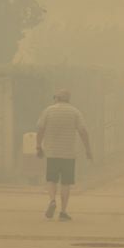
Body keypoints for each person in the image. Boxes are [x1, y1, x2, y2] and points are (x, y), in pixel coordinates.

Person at [36, 89, 93, 221]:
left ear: (57, 98)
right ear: (68, 99)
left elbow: (40, 129)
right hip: (69, 153)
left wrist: (38, 146)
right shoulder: (75, 112)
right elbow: (83, 131)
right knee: (66, 183)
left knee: (51, 180)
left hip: (52, 152)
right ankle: (63, 211)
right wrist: (88, 149)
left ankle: (52, 201)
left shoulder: (48, 110)